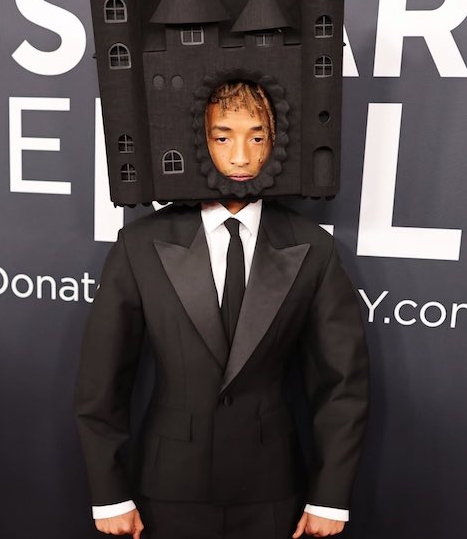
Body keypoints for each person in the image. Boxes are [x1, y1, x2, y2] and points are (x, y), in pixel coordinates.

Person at [75, 82, 369, 539]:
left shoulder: (313, 248)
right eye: (222, 136)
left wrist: (330, 496)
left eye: (257, 137)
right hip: (168, 487)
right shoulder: (140, 244)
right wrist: (110, 492)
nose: (241, 157)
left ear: (277, 142)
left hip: (273, 490)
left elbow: (342, 384)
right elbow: (102, 381)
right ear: (198, 139)